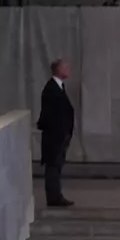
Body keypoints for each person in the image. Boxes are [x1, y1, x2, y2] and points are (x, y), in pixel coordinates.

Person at [37, 58, 74, 208]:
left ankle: (57, 196)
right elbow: (50, 115)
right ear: (58, 69)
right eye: (65, 67)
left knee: (56, 167)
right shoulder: (51, 89)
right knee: (53, 167)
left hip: (59, 136)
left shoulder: (58, 87)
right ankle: (54, 198)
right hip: (54, 138)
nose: (69, 69)